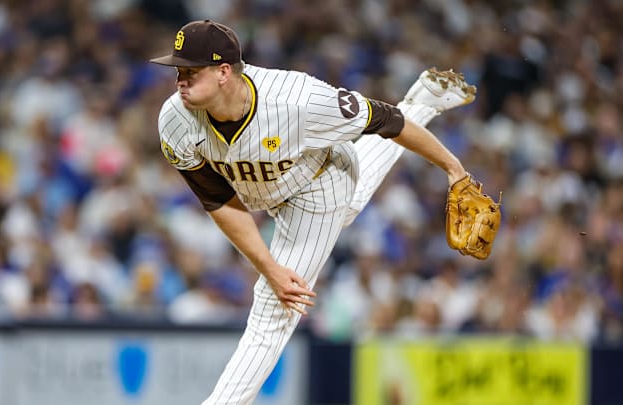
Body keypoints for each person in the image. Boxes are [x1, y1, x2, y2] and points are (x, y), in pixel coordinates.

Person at [150, 19, 476, 405]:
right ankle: (424, 100)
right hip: (271, 192)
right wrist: (268, 266)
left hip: (319, 181)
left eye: (190, 71)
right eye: (177, 71)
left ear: (224, 72)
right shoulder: (175, 121)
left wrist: (455, 169)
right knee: (346, 212)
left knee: (274, 311)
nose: (180, 80)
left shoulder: (298, 99)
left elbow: (387, 121)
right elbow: (220, 201)